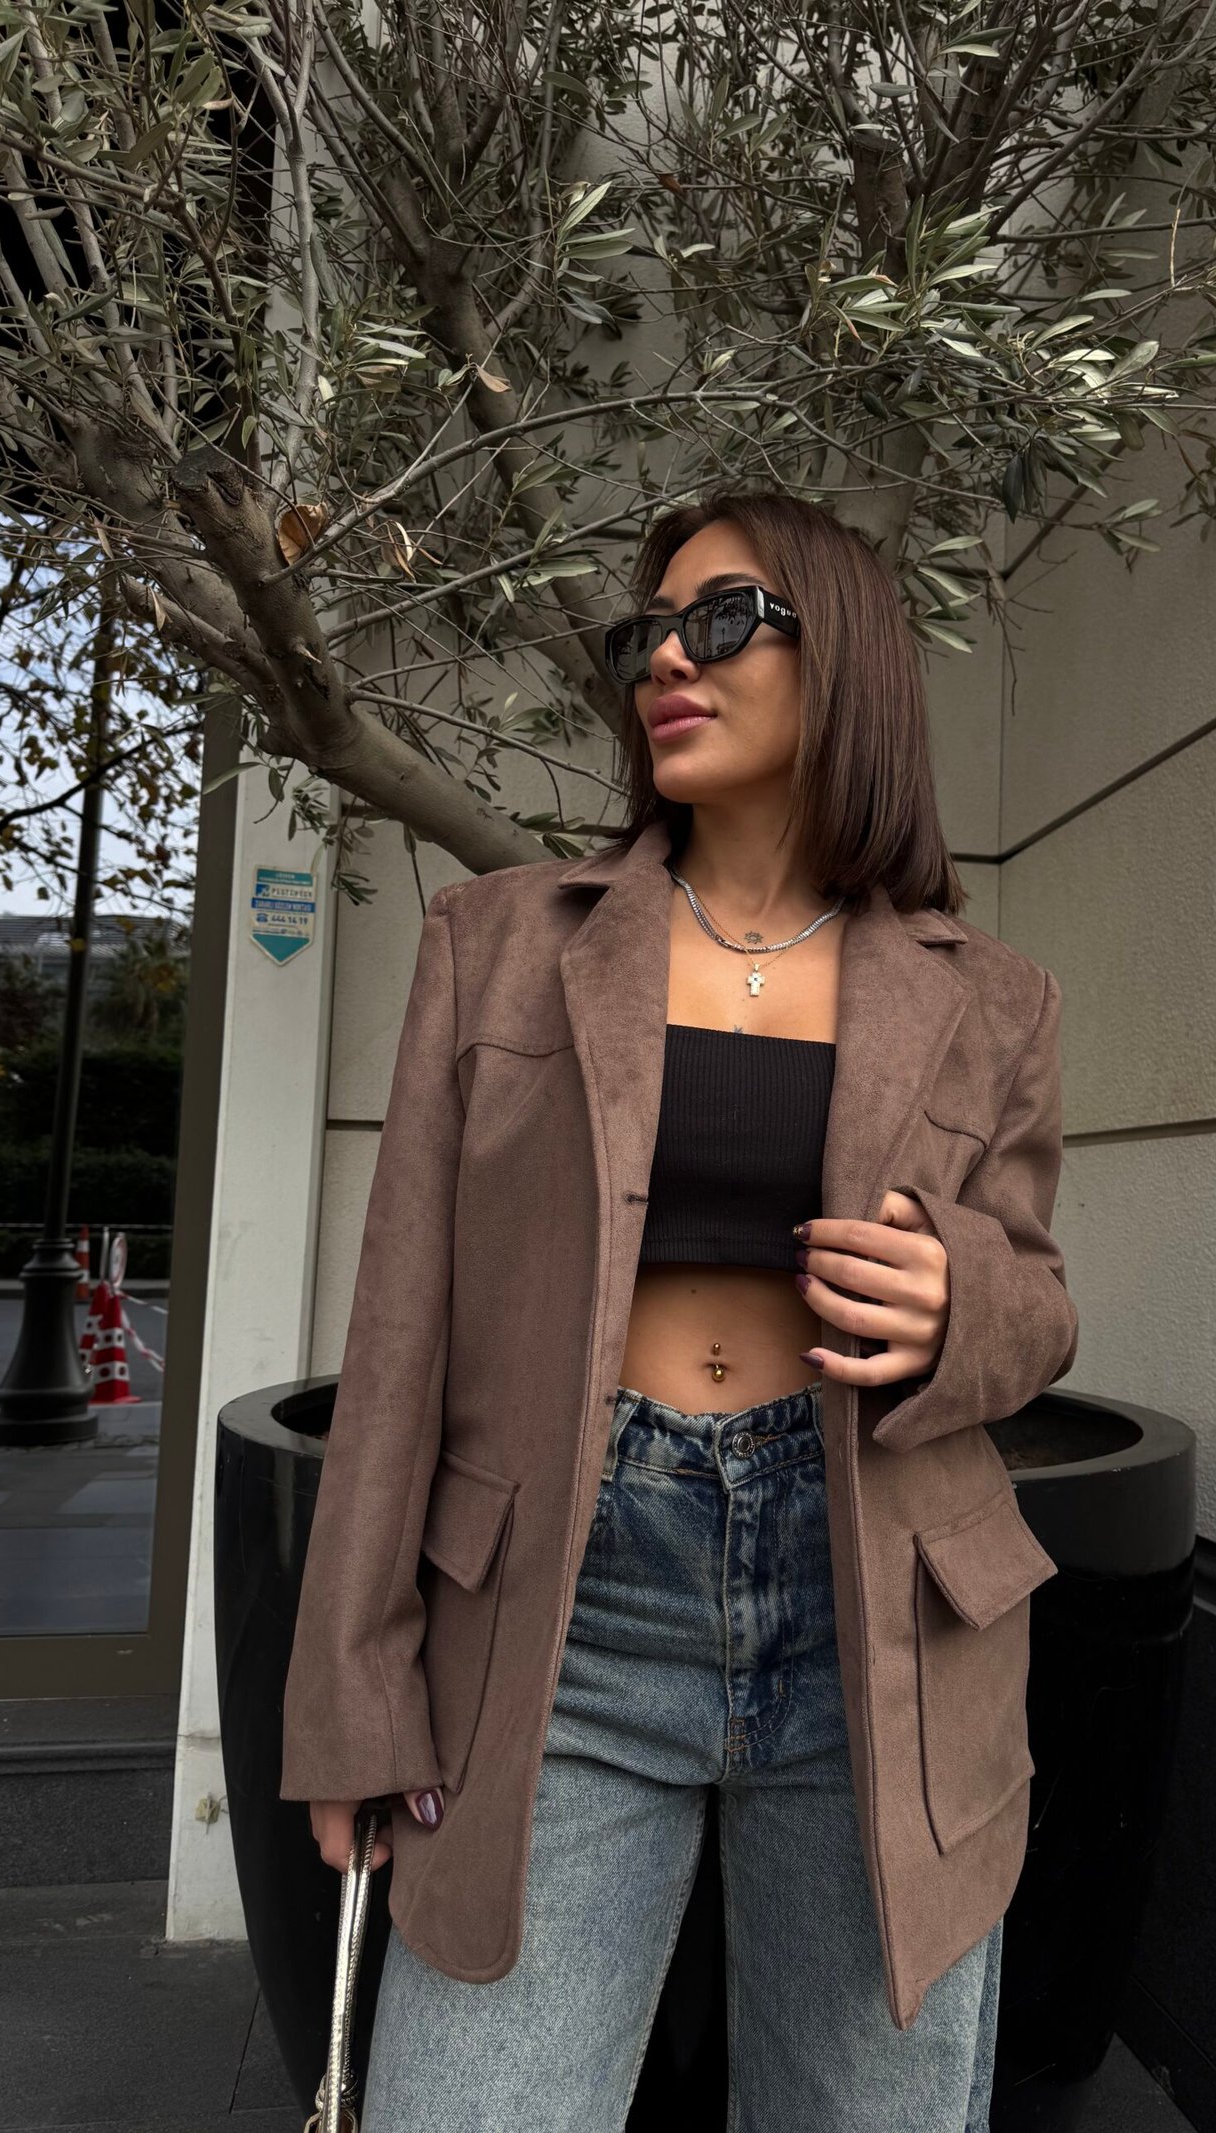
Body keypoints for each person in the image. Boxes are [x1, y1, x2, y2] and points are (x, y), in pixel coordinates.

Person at [279, 486, 1079, 2130]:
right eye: (646, 631)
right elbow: (400, 1338)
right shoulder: (501, 945)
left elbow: (1040, 1302)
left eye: (719, 622)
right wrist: (352, 1694)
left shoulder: (992, 999)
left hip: (878, 1617)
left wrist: (958, 1302)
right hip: (564, 1612)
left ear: (840, 657)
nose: (665, 658)